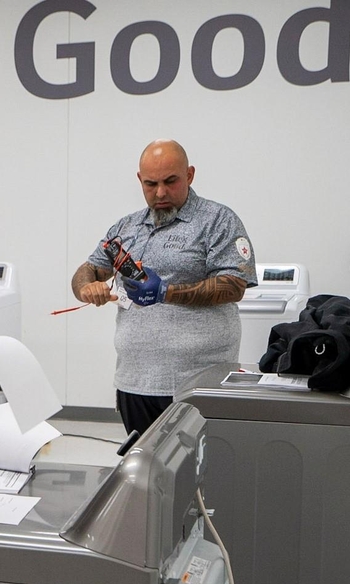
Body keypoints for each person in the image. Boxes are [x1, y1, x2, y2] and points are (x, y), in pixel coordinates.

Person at [71, 139, 257, 436]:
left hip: (198, 383)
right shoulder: (125, 228)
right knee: (145, 475)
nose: (160, 193)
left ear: (190, 175)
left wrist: (166, 292)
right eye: (151, 184)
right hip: (135, 382)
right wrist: (86, 287)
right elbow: (90, 268)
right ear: (139, 180)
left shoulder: (218, 221)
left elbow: (234, 285)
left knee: (201, 477)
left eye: (171, 181)